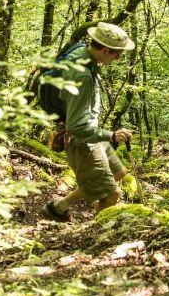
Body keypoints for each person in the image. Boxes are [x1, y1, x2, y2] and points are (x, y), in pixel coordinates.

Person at [43, 22, 135, 222]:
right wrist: (111, 135)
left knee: (118, 172)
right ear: (104, 49)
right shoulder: (82, 75)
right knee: (111, 194)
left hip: (91, 132)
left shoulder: (81, 53)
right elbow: (77, 126)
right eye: (116, 53)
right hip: (82, 140)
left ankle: (58, 208)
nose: (118, 57)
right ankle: (95, 243)